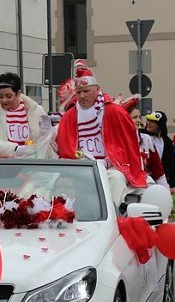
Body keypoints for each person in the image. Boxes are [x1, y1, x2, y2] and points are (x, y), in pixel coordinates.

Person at [56, 66, 147, 207]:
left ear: (97, 89)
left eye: (86, 91)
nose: (82, 96)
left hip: (111, 166)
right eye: (78, 92)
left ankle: (111, 217)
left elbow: (126, 146)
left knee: (116, 178)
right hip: (81, 166)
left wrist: (106, 162)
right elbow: (66, 149)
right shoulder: (69, 116)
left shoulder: (114, 111)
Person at [0, 71, 49, 159]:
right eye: (0, 96)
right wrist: (16, 149)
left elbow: (44, 140)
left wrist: (48, 133)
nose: (4, 100)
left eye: (8, 96)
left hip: (29, 166)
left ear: (18, 94)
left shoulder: (36, 110)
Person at [143, 111, 175, 193]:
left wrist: (173, 184)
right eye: (148, 120)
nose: (148, 123)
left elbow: (172, 164)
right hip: (143, 179)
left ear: (159, 125)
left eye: (152, 122)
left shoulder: (166, 141)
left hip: (161, 180)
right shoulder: (140, 135)